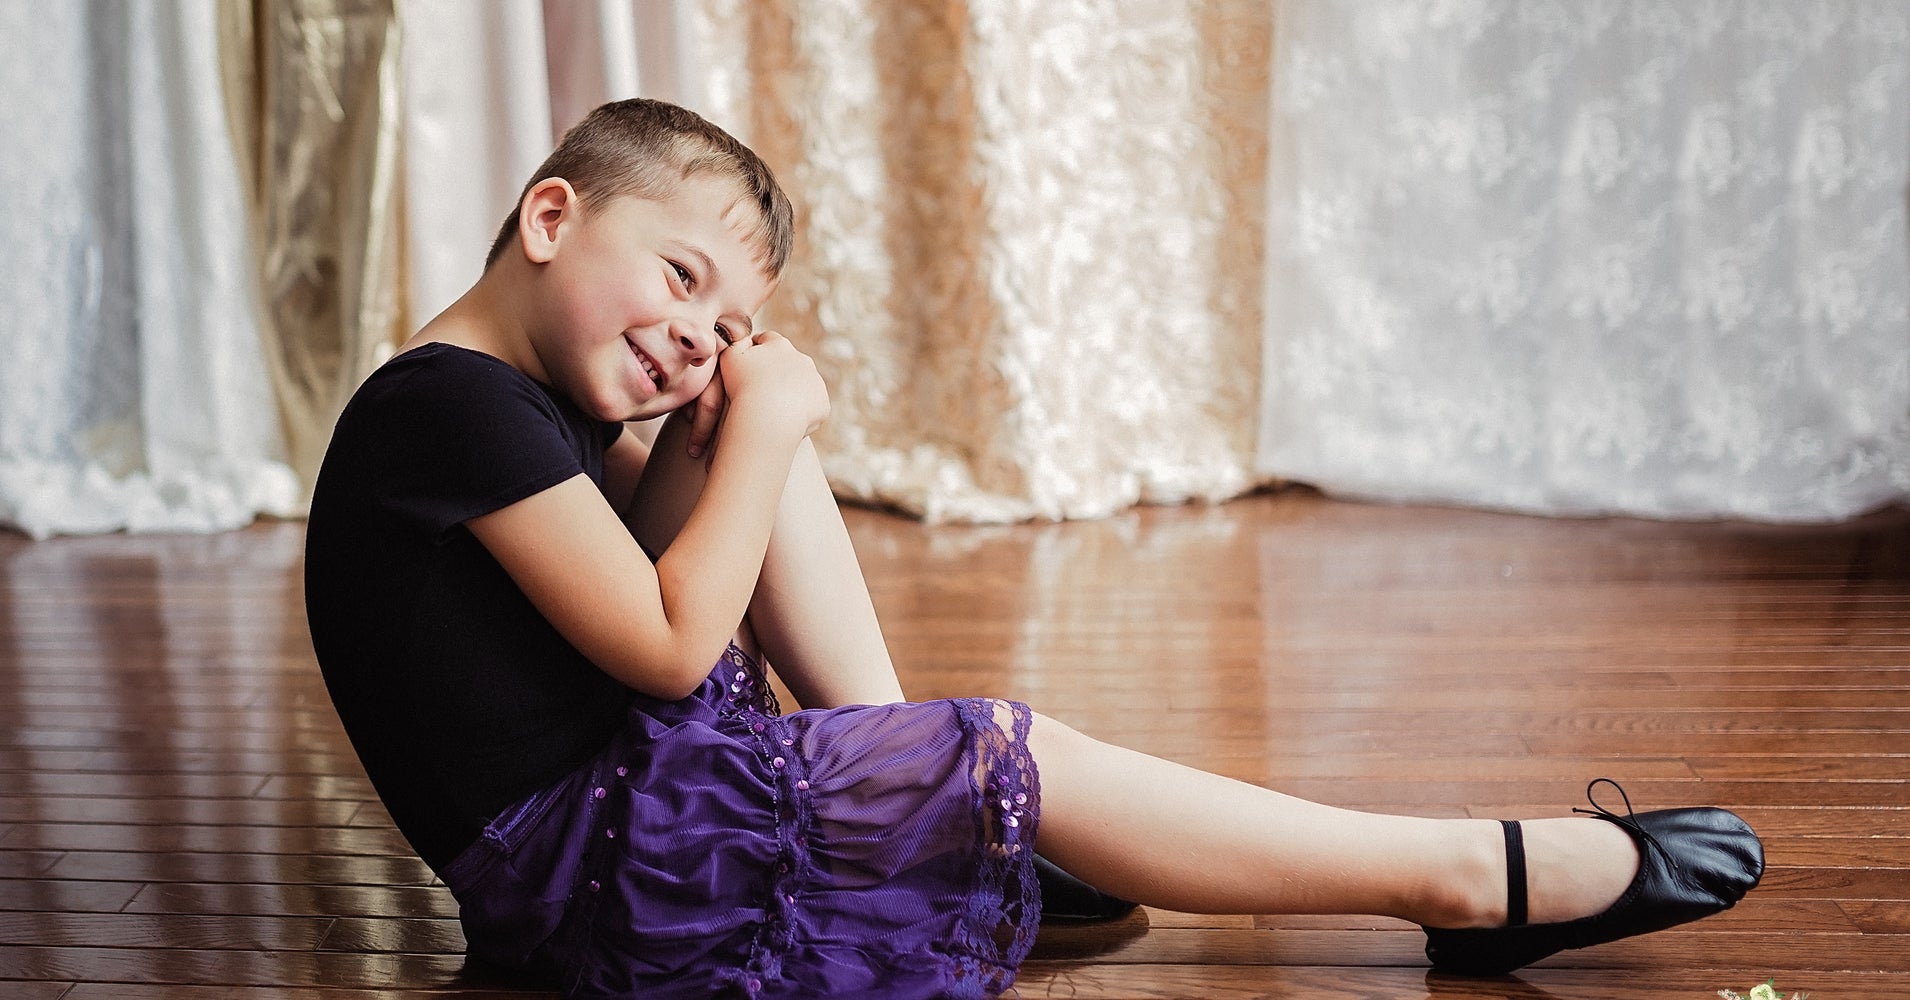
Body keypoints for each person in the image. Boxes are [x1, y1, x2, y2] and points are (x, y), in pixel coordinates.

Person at [303, 98, 1763, 999]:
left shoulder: (496, 400)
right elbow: (676, 641)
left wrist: (742, 418)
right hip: (598, 879)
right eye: (681, 279)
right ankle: (1458, 877)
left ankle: (907, 815)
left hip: (615, 814)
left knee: (769, 451)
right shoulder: (447, 411)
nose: (698, 336)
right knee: (1016, 742)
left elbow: (660, 597)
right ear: (550, 216)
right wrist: (756, 421)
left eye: (726, 322)